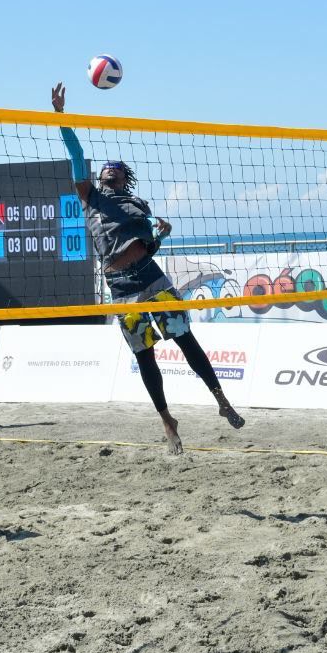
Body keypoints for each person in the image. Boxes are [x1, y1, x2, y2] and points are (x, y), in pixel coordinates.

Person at [52, 81, 244, 454]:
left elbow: (147, 243)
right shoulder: (89, 195)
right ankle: (167, 421)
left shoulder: (139, 206)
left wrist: (162, 234)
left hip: (150, 275)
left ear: (125, 179)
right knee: (146, 356)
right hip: (121, 285)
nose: (110, 171)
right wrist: (62, 117)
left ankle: (221, 399)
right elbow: (76, 154)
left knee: (187, 340)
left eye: (117, 170)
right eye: (106, 169)